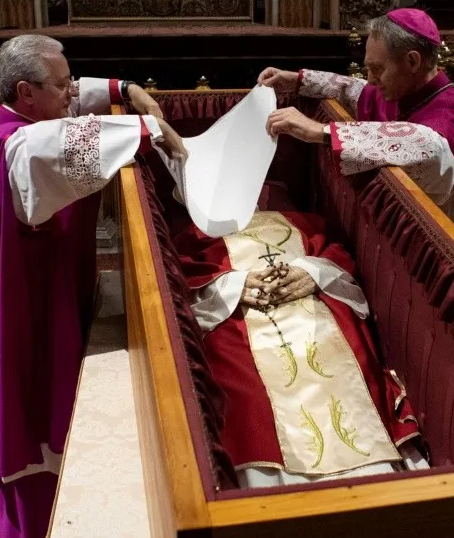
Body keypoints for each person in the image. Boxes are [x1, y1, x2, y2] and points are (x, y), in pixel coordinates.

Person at [0, 34, 186, 538]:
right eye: (61, 87)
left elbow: (78, 98)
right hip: (28, 318)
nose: (72, 95)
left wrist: (128, 88)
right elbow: (81, 146)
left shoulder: (24, 119)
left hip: (40, 291)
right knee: (35, 442)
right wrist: (150, 128)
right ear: (25, 93)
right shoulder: (18, 147)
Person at [176, 209, 424, 488]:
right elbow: (185, 278)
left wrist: (310, 272)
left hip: (316, 314)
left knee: (342, 375)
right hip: (240, 323)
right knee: (247, 391)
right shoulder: (194, 234)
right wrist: (235, 285)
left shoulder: (301, 220)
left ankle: (375, 479)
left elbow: (336, 255)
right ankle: (274, 490)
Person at [258, 8, 454, 263]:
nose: (371, 79)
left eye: (377, 68)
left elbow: (430, 147)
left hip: (453, 254)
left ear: (413, 62)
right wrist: (297, 80)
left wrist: (322, 131)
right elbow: (356, 90)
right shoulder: (407, 90)